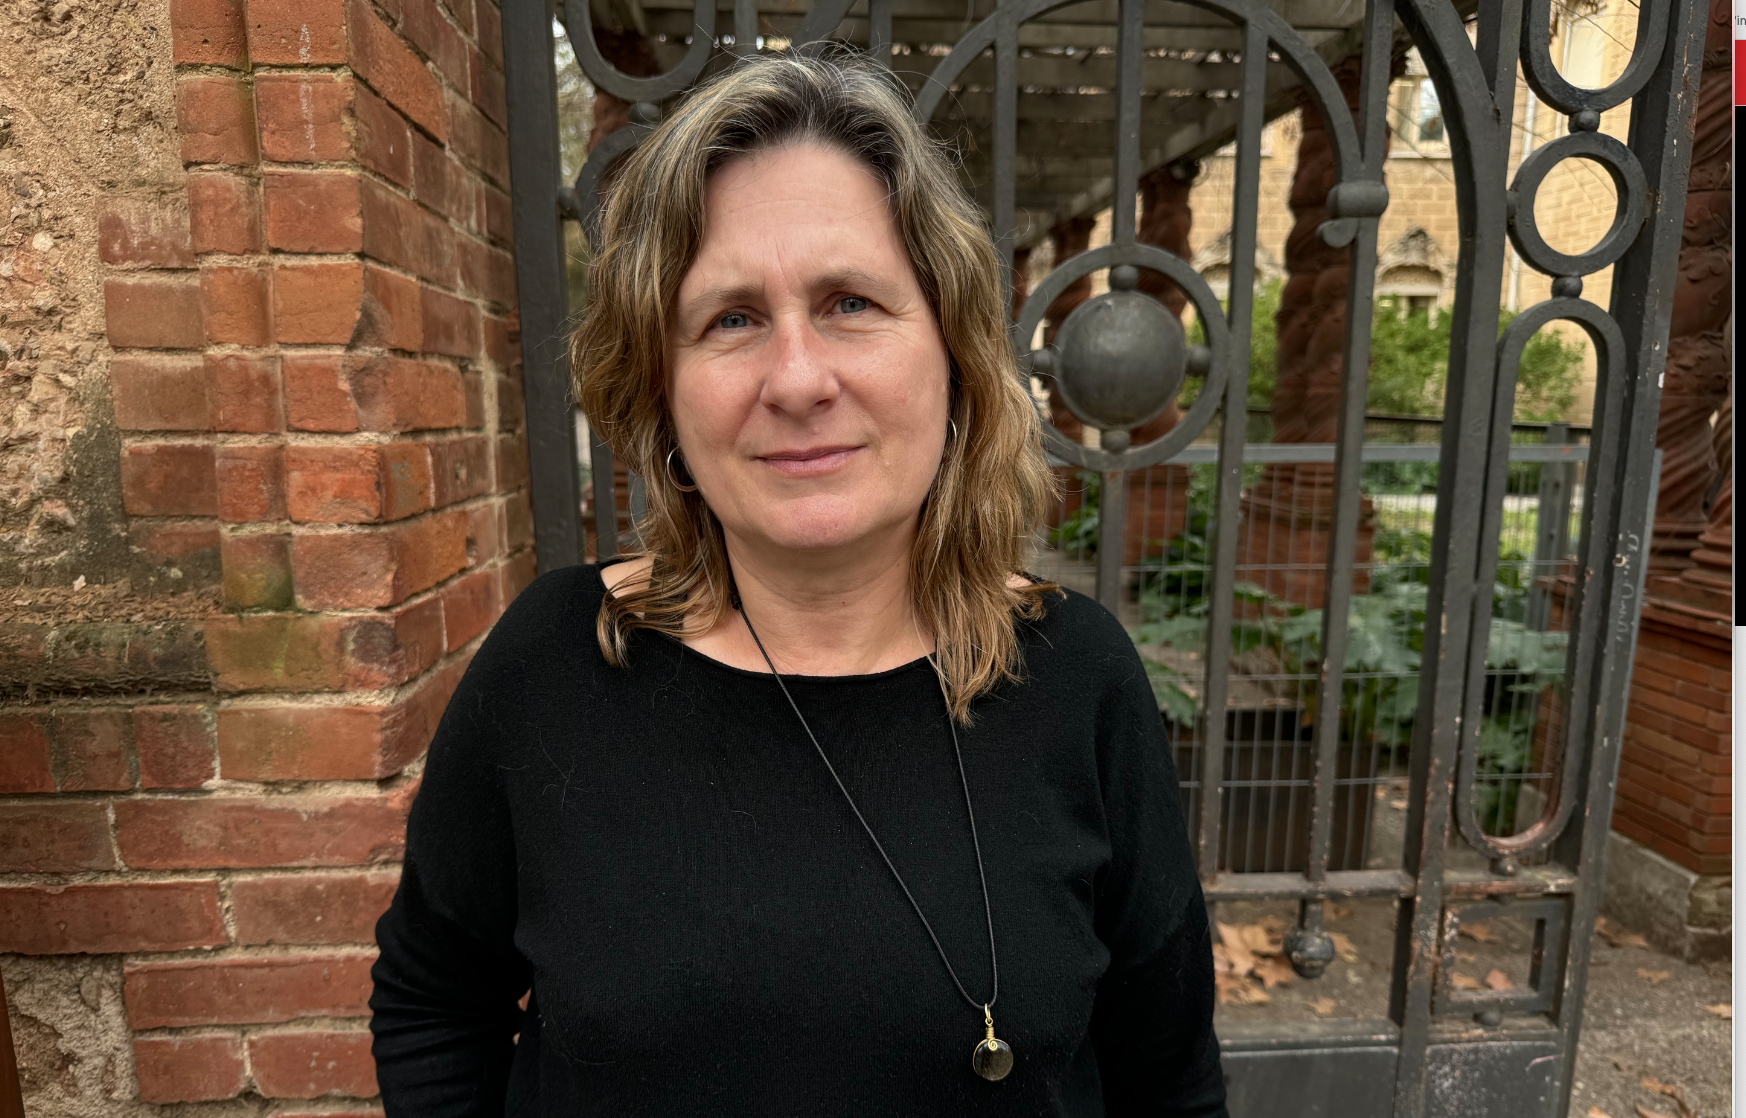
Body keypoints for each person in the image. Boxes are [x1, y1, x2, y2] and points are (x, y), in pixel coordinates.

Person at [368, 50, 1224, 1117]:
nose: (798, 379)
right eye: (730, 318)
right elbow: (434, 1001)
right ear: (663, 387)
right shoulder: (556, 666)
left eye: (850, 302)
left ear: (953, 351)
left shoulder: (1076, 678)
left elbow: (1169, 1078)